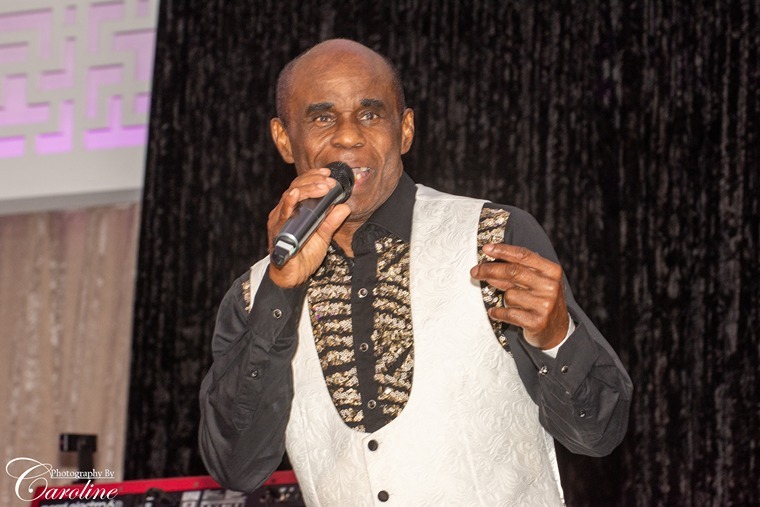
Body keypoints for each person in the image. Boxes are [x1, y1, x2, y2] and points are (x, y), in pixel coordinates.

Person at [199, 38, 632, 506]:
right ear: (284, 139)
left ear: (405, 130)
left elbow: (597, 435)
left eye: (370, 114)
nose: (349, 137)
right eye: (323, 118)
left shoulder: (492, 238)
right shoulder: (254, 295)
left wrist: (557, 338)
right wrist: (279, 294)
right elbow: (237, 468)